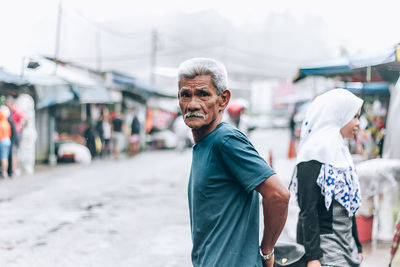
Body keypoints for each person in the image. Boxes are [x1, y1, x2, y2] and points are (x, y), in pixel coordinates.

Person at [177, 57, 290, 267]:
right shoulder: (205, 143)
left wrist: (266, 252)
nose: (193, 104)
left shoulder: (225, 140)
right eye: (186, 95)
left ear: (223, 99)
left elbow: (278, 195)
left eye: (203, 94)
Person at [290, 89, 364, 267]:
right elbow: (308, 210)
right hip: (325, 250)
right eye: (354, 116)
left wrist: (358, 245)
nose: (358, 123)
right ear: (338, 114)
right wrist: (313, 256)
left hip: (347, 247)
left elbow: (349, 206)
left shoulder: (341, 151)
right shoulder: (312, 152)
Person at [0, 106, 11, 178]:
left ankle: (3, 172)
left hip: (2, 141)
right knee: (5, 157)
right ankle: (5, 172)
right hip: (8, 140)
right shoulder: (7, 123)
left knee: (3, 157)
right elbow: (9, 134)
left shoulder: (1, 123)